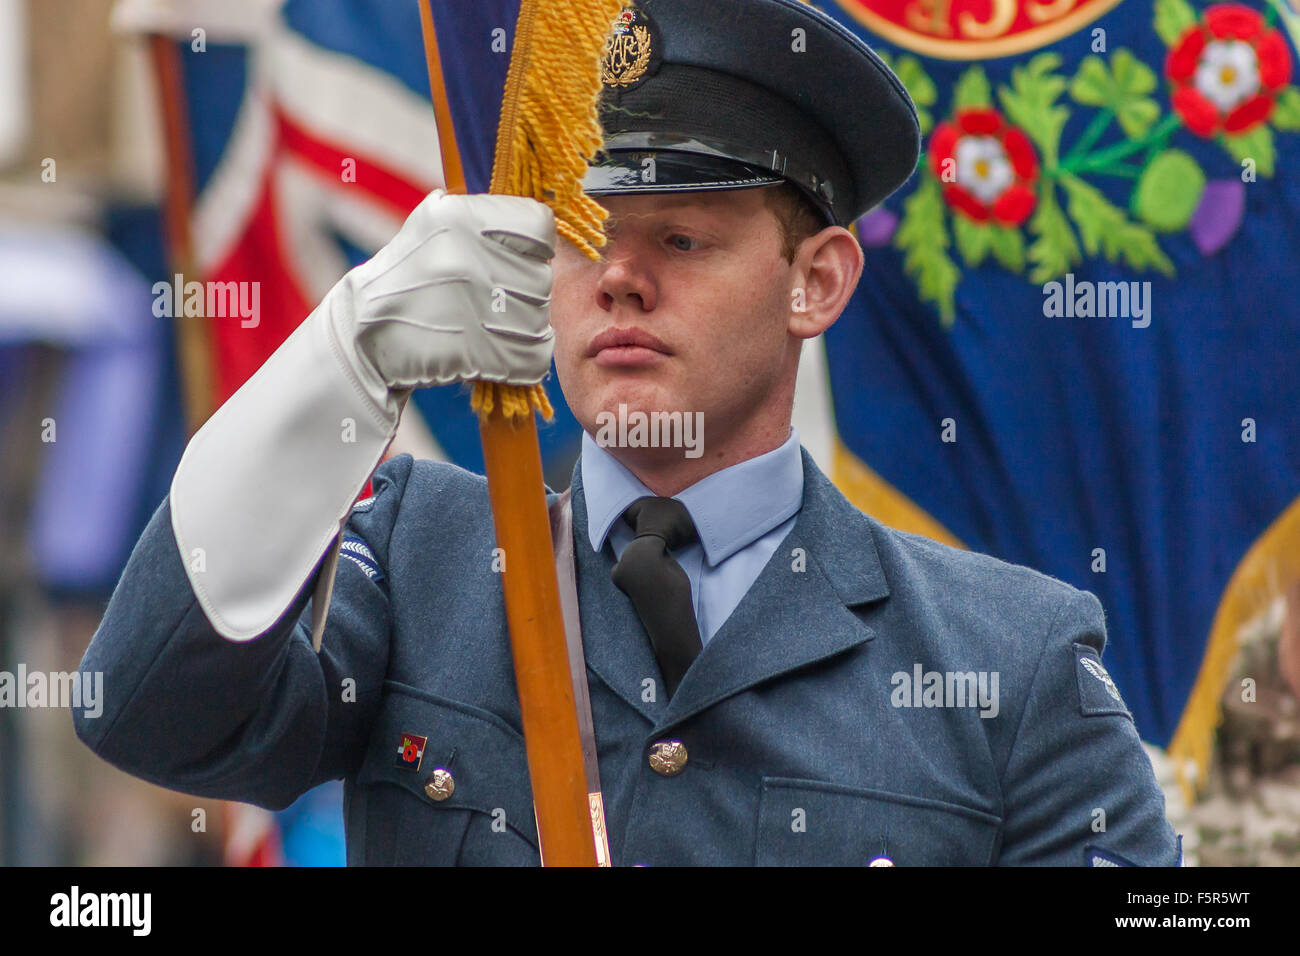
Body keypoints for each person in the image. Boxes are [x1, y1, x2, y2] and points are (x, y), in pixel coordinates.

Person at [74, 0, 1180, 866]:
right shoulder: (421, 555)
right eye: (578, 235)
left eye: (684, 237)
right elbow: (148, 713)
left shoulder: (1008, 661)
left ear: (818, 279)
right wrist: (342, 359)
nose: (615, 281)